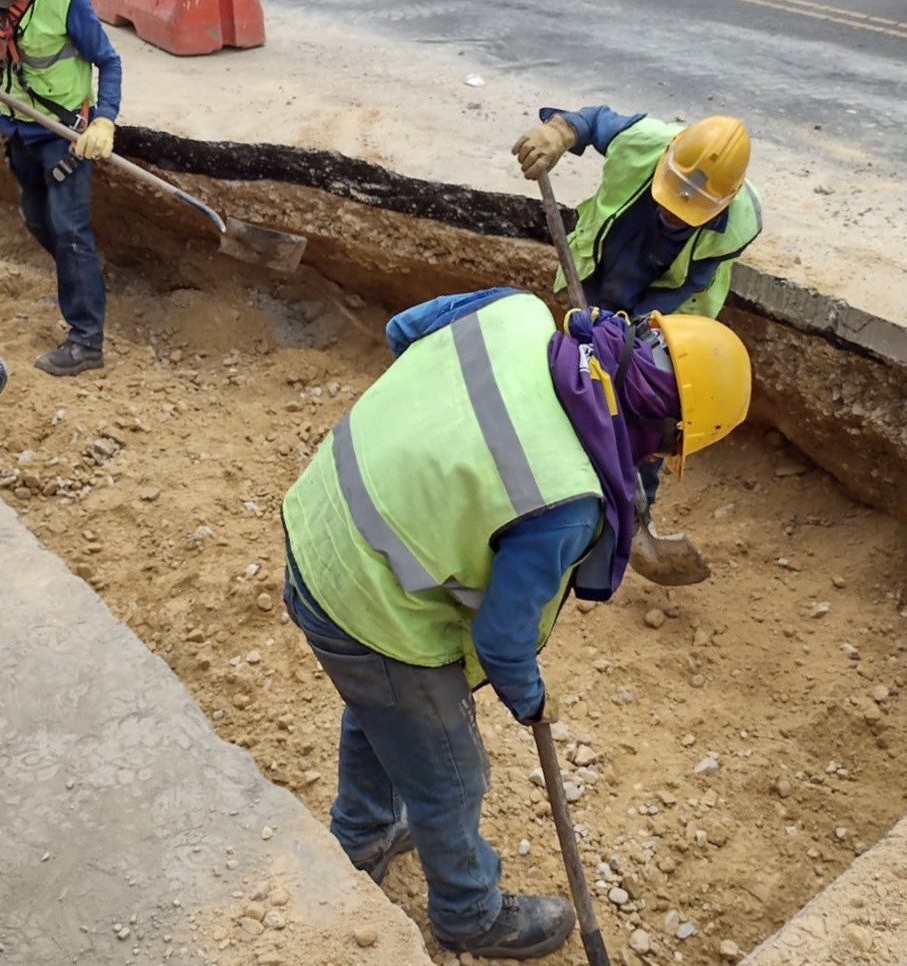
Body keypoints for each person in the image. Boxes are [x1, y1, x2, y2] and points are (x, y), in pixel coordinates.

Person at [281, 286, 751, 959]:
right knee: (451, 774)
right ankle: (468, 913)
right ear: (666, 431)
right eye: (669, 451)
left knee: (385, 709)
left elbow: (402, 329)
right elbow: (499, 641)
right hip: (365, 602)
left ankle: (364, 833)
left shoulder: (515, 311)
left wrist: (436, 445)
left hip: (319, 513)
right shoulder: (564, 496)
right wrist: (532, 700)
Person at [513, 105, 763, 548]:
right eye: (671, 201)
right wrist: (557, 133)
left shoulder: (739, 222)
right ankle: (551, 486)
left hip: (666, 316)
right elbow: (588, 121)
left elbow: (685, 289)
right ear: (667, 159)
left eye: (691, 213)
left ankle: (626, 517)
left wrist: (618, 340)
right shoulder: (642, 140)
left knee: (647, 415)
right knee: (569, 384)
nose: (677, 215)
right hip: (600, 277)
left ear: (724, 201)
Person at [0, 0, 122, 376]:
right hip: (18, 130)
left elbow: (109, 61)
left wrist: (104, 120)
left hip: (63, 136)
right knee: (37, 218)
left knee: (68, 230)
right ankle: (82, 282)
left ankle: (87, 342)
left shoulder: (64, 5)